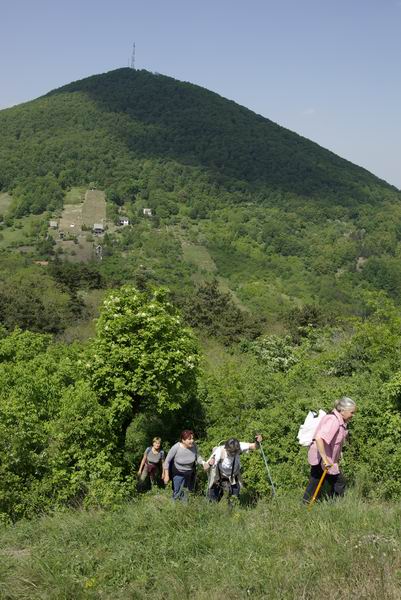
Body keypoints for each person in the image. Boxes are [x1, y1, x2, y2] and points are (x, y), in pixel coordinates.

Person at [303, 396, 356, 504]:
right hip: (322, 458)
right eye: (351, 412)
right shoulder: (333, 421)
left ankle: (305, 504)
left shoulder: (339, 420)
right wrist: (325, 459)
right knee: (339, 482)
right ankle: (334, 505)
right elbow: (319, 438)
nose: (353, 415)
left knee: (316, 481)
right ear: (342, 411)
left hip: (323, 457)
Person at [207, 434, 263, 502]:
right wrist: (209, 464)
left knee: (234, 499)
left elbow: (254, 446)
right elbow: (205, 467)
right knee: (213, 500)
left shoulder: (239, 446)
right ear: (226, 448)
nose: (233, 454)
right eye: (231, 452)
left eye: (235, 452)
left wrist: (257, 442)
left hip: (233, 477)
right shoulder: (219, 451)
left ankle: (231, 511)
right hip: (220, 478)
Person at [163, 430, 211, 501]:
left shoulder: (194, 445)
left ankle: (183, 508)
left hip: (189, 472)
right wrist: (166, 475)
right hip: (178, 472)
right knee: (177, 491)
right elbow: (167, 461)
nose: (192, 441)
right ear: (183, 440)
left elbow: (198, 457)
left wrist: (204, 463)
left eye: (192, 438)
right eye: (189, 439)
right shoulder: (176, 447)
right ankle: (172, 507)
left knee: (186, 492)